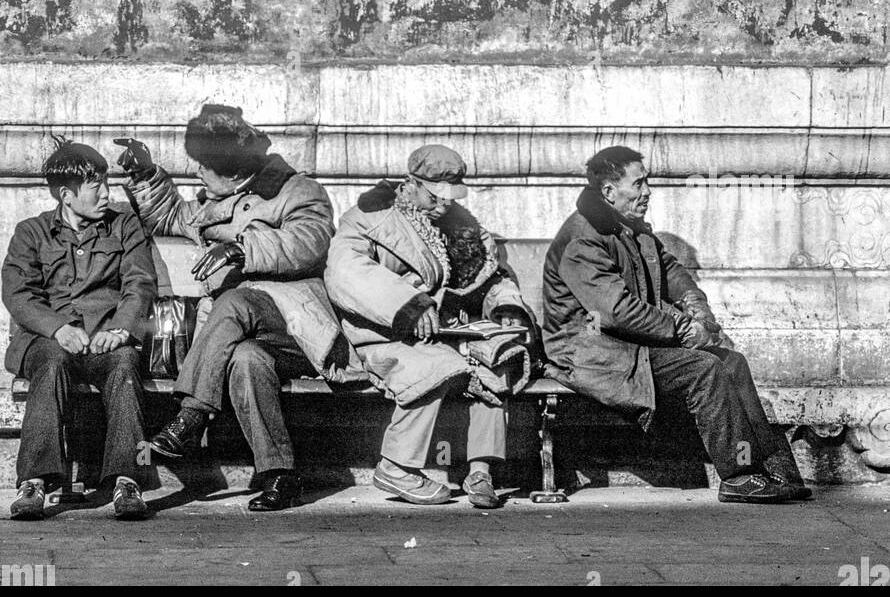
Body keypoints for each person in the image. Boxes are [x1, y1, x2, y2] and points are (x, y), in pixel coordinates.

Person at [118, 103, 355, 512]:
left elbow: (310, 240)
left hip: (296, 326)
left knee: (237, 298)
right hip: (244, 335)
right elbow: (172, 215)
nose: (196, 173)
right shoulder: (217, 201)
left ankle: (191, 415)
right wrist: (145, 173)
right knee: (247, 361)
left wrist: (241, 249)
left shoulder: (298, 190)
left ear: (231, 171)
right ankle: (280, 474)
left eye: (203, 167)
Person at [542, 146, 811, 504]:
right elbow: (617, 312)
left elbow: (671, 271)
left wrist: (698, 310)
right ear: (608, 192)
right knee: (705, 369)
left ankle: (771, 470)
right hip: (591, 354)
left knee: (733, 362)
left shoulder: (629, 227)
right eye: (638, 183)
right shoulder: (584, 238)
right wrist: (684, 329)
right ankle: (738, 476)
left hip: (629, 346)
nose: (647, 190)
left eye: (646, 181)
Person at [325, 144, 534, 508]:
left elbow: (493, 278)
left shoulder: (458, 224)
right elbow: (345, 272)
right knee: (436, 368)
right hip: (385, 333)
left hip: (445, 332)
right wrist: (408, 305)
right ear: (411, 184)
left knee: (496, 359)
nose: (446, 205)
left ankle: (480, 471)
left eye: (452, 196)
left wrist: (505, 307)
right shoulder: (368, 218)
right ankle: (396, 466)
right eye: (437, 196)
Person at [2, 141, 157, 521]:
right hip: (49, 343)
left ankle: (128, 479)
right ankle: (34, 483)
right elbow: (17, 292)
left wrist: (122, 329)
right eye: (95, 186)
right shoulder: (32, 232)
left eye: (106, 182)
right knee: (51, 363)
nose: (106, 193)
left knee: (125, 363)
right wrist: (56, 329)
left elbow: (140, 283)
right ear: (67, 196)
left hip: (107, 341)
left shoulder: (124, 225)